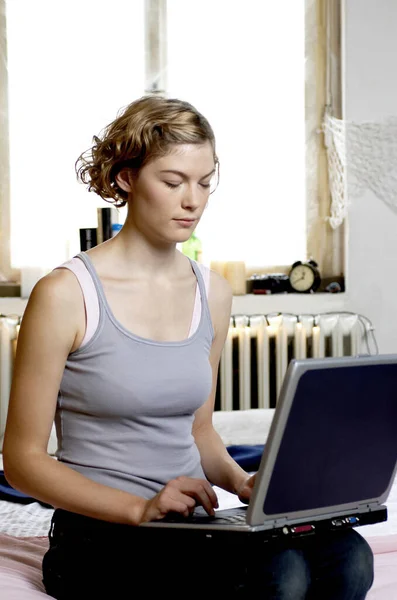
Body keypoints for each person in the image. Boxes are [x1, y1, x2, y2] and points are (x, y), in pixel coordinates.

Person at [3, 95, 374, 599]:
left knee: (349, 557)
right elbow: (22, 460)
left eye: (205, 182)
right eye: (173, 182)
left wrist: (245, 485)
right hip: (101, 534)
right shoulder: (66, 294)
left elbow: (200, 431)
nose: (192, 201)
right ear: (126, 178)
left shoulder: (212, 292)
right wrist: (140, 508)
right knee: (280, 574)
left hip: (187, 523)